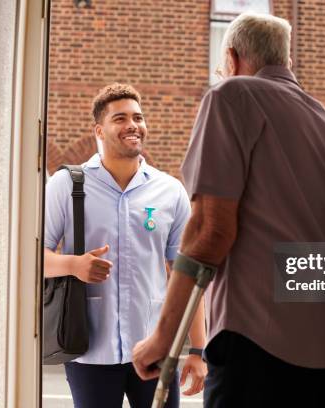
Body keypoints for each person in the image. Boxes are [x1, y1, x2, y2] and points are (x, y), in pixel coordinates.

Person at [133, 13, 325, 407]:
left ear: (233, 59)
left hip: (257, 347)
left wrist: (163, 339)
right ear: (286, 62)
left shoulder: (232, 95)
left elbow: (209, 231)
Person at [44, 83, 207, 408]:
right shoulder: (67, 184)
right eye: (120, 118)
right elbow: (34, 258)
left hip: (156, 348)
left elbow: (187, 273)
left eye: (138, 117)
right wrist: (74, 265)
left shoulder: (170, 191)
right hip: (89, 351)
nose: (133, 125)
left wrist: (198, 350)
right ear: (99, 130)